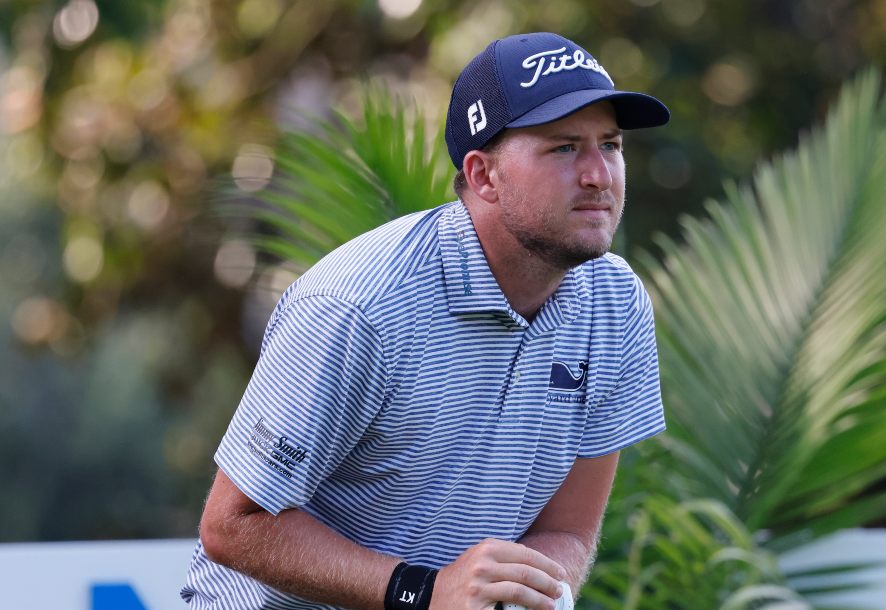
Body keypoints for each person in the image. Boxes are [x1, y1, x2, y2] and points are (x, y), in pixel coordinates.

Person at [181, 31, 669, 610]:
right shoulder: (360, 306)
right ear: (484, 175)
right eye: (564, 148)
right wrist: (424, 592)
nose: (599, 175)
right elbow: (234, 525)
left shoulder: (616, 303)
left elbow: (565, 532)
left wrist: (535, 594)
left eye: (609, 145)